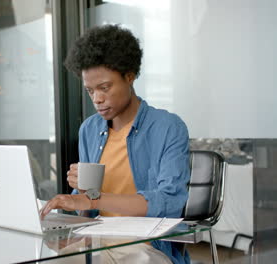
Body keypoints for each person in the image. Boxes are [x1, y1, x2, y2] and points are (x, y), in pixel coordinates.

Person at [40, 25, 191, 264]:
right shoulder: (89, 130)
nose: (97, 99)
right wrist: (78, 196)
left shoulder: (168, 127)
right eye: (90, 91)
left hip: (145, 246)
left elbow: (170, 202)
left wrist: (94, 199)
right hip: (94, 240)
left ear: (129, 76)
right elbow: (87, 206)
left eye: (105, 87)